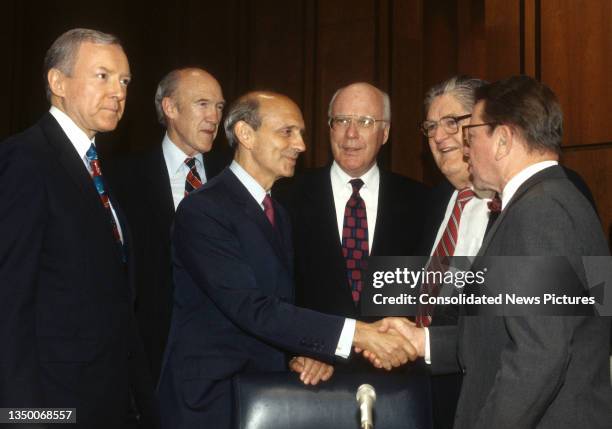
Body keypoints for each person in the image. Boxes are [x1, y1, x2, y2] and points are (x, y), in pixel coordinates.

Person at [157, 91, 417, 429]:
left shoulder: (276, 211)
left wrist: (307, 354)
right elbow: (253, 309)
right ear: (246, 135)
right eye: (287, 132)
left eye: (301, 133)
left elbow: (284, 303)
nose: (301, 145)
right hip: (210, 403)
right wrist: (359, 335)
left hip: (267, 395)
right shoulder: (203, 210)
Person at [367, 75, 612, 428]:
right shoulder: (557, 200)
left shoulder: (539, 213)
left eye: (470, 136)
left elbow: (539, 355)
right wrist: (423, 341)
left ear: (502, 140)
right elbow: (510, 330)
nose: (465, 150)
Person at [0, 28, 157, 428]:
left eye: (124, 81)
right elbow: (10, 299)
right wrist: (27, 418)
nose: (118, 92)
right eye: (102, 76)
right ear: (58, 82)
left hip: (109, 400)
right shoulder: (26, 159)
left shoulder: (96, 168)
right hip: (53, 404)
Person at [278, 82, 429, 372]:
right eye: (342, 121)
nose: (351, 133)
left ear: (384, 133)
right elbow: (272, 297)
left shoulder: (421, 203)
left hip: (397, 377)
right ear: (329, 128)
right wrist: (299, 350)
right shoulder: (286, 197)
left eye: (365, 122)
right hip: (311, 377)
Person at [106, 67, 227, 382]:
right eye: (203, 104)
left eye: (219, 106)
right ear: (170, 108)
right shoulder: (120, 179)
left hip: (224, 358)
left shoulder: (235, 176)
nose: (214, 117)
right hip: (147, 359)